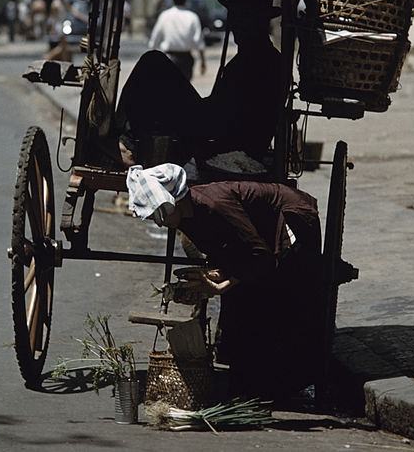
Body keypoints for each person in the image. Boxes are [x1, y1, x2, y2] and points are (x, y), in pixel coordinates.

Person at [126, 163, 322, 400]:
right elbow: (229, 254)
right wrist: (214, 277)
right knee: (244, 296)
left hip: (292, 221)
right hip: (259, 238)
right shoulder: (187, 219)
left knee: (269, 295)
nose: (159, 222)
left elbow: (260, 255)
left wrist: (224, 285)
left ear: (175, 201)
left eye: (160, 214)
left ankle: (278, 382)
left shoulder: (214, 205)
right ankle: (249, 383)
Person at [117, 0, 284, 160]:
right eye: (234, 16)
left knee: (153, 61)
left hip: (215, 134)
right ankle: (126, 136)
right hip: (212, 122)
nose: (234, 24)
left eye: (241, 17)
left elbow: (228, 119)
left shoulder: (259, 60)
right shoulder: (254, 55)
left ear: (257, 21)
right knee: (154, 68)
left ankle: (118, 135)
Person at [148, 0, 206, 80]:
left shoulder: (165, 15)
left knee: (169, 89)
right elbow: (198, 41)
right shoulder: (192, 17)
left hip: (168, 59)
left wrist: (152, 56)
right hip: (186, 59)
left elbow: (155, 38)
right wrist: (203, 62)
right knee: (185, 89)